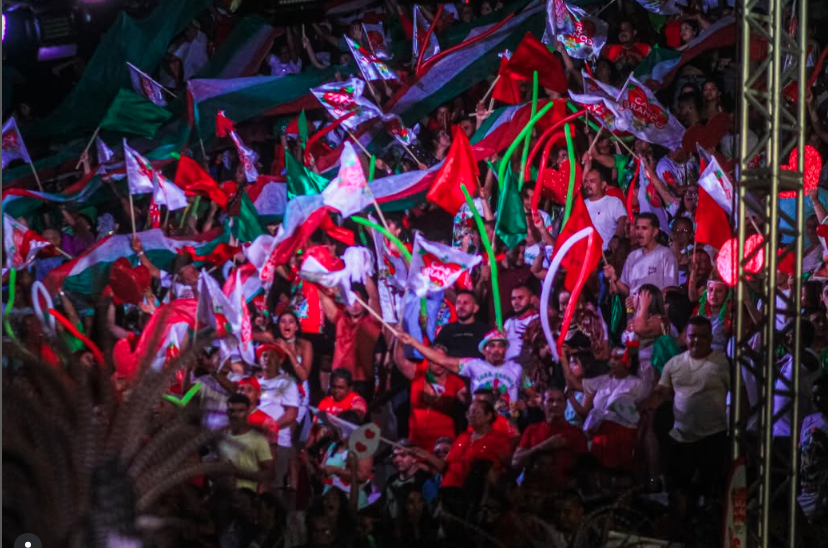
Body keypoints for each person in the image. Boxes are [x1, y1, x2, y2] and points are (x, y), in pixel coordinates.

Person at [638, 316, 730, 513]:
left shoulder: (722, 363)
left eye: (702, 336)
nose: (696, 340)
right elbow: (661, 392)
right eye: (692, 336)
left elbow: (740, 396)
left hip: (712, 437)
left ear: (710, 338)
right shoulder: (674, 364)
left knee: (709, 496)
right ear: (685, 338)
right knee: (678, 493)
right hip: (681, 438)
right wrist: (642, 406)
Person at [399, 329, 527, 405]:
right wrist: (413, 342)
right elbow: (440, 360)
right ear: (484, 350)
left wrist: (525, 403)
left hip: (509, 428)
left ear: (505, 349)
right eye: (492, 346)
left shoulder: (517, 369)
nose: (497, 350)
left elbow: (532, 395)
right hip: (480, 426)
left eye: (501, 346)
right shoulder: (473, 365)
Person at [393, 340, 467, 451]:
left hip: (442, 444)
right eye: (435, 360)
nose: (439, 364)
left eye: (442, 359)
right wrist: (398, 339)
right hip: (416, 440)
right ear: (428, 360)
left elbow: (468, 399)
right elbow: (400, 360)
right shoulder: (417, 372)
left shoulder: (455, 381)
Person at [319, 280, 382, 404]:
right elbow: (323, 297)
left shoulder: (373, 321)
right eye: (350, 301)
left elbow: (373, 296)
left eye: (358, 301)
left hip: (361, 381)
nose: (354, 306)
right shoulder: (340, 319)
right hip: (338, 380)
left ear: (365, 302)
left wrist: (364, 272)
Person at [511, 388, 588, 490]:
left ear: (565, 405)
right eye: (550, 401)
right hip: (534, 491)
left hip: (565, 492)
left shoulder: (576, 433)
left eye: (559, 400)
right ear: (542, 405)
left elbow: (585, 470)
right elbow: (516, 463)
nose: (555, 405)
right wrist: (543, 446)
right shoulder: (532, 430)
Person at [604, 213, 679, 297]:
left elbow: (671, 289)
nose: (639, 232)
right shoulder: (632, 256)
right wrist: (615, 279)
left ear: (655, 232)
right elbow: (627, 291)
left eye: (644, 228)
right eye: (637, 228)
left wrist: (646, 300)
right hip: (633, 305)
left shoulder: (666, 255)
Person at [219, 394, 276, 492]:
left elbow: (270, 474)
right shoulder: (221, 436)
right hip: (222, 493)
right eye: (231, 411)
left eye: (240, 411)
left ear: (248, 412)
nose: (235, 415)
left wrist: (238, 473)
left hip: (245, 496)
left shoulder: (258, 439)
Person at [799, 375, 828, 524]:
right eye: (813, 395)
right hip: (805, 489)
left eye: (819, 395)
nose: (814, 399)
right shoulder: (808, 420)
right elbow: (801, 450)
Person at [581, 166, 628, 250]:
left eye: (592, 181)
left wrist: (616, 238)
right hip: (584, 253)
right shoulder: (581, 204)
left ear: (603, 184)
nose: (587, 184)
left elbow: (622, 221)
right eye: (586, 181)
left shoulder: (613, 202)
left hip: (606, 253)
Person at [433, 290, 489, 358]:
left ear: (475, 308)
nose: (461, 306)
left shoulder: (485, 331)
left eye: (465, 303)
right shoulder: (447, 330)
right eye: (458, 303)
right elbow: (436, 353)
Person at [503, 285, 539, 360]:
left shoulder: (538, 321)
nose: (516, 302)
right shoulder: (509, 322)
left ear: (532, 299)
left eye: (520, 298)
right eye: (513, 298)